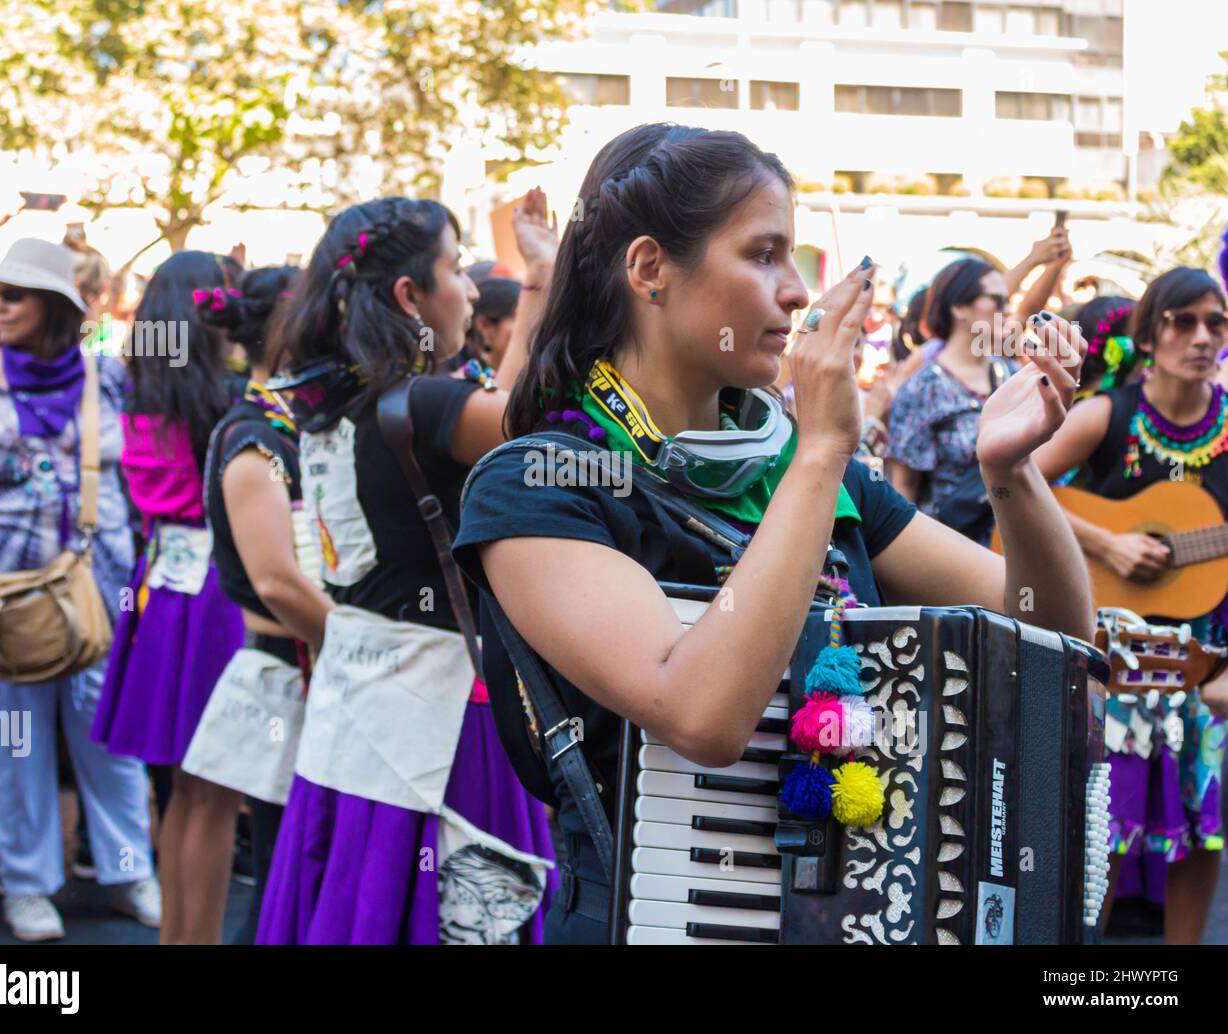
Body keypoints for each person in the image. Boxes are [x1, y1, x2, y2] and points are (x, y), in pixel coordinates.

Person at [450, 122, 1093, 946]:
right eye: (763, 255)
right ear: (649, 269)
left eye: (794, 259)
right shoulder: (539, 483)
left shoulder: (817, 476)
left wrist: (1012, 476)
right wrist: (823, 446)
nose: (797, 292)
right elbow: (703, 715)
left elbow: (1056, 640)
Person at [256, 190, 558, 945]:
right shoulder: (419, 405)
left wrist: (539, 284)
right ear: (407, 295)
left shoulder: (334, 403)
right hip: (444, 720)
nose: (464, 287)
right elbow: (521, 421)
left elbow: (497, 405)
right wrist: (549, 278)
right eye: (454, 269)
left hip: (352, 716)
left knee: (354, 908)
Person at [0, 238, 157, 941]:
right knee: (13, 740)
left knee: (107, 736)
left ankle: (127, 872)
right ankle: (29, 884)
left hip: (97, 586)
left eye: (12, 295)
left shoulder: (107, 378)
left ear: (56, 306)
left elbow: (138, 477)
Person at [1033, 266, 1228, 945]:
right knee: (1103, 823)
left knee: (1204, 825)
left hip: (1206, 660)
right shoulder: (1107, 414)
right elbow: (1018, 478)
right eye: (1184, 321)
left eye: (1216, 323)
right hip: (1111, 656)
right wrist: (1109, 544)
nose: (1201, 337)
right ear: (1150, 333)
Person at [90, 250, 246, 944]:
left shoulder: (140, 388)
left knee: (186, 790)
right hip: (212, 594)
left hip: (158, 588)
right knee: (213, 792)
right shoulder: (225, 402)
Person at [180, 264, 334, 943]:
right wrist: (359, 646)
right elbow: (275, 580)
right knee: (278, 864)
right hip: (281, 663)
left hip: (286, 661)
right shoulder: (257, 438)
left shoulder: (283, 423)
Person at [885, 257, 1023, 543]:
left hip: (1018, 539)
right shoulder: (923, 388)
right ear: (959, 307)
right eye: (996, 300)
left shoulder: (1013, 375)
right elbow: (904, 489)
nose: (1007, 309)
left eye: (1008, 300)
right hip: (954, 548)